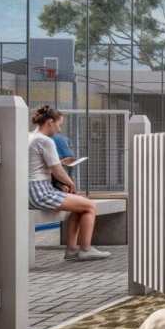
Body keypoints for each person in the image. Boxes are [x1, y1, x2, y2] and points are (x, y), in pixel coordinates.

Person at [28, 105, 111, 261]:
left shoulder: (29, 137)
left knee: (79, 206)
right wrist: (71, 183)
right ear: (50, 122)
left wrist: (61, 184)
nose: (59, 130)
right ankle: (85, 249)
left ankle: (72, 249)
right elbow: (57, 170)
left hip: (31, 190)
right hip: (40, 192)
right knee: (90, 206)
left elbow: (39, 167)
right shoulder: (45, 140)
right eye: (59, 125)